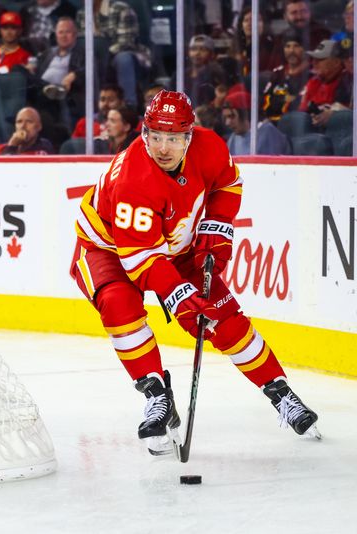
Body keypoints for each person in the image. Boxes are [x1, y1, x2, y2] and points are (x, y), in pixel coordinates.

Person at [70, 90, 319, 454]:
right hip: (107, 247)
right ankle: (157, 396)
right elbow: (140, 259)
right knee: (118, 305)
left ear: (189, 136)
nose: (164, 148)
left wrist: (217, 224)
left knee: (224, 318)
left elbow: (229, 184)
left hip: (177, 245)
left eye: (173, 138)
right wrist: (178, 294)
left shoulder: (210, 147)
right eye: (156, 136)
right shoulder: (132, 182)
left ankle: (281, 394)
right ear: (144, 134)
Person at [90, 0, 151, 107]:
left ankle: (128, 106)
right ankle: (93, 108)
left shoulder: (121, 9)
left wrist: (106, 55)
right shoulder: (83, 13)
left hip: (121, 54)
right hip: (96, 56)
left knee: (124, 58)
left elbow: (126, 42)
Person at [297, 39, 352, 128]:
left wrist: (336, 114)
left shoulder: (348, 82)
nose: (314, 63)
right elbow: (301, 112)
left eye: (320, 59)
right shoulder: (313, 82)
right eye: (313, 59)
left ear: (336, 62)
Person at [262, 30, 311, 123]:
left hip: (296, 125)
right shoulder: (277, 73)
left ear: (304, 49)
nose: (291, 51)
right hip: (272, 123)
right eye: (287, 46)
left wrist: (278, 100)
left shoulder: (310, 75)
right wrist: (284, 99)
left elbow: (300, 104)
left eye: (296, 46)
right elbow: (265, 101)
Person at [221, 91, 290, 155]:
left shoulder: (269, 134)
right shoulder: (233, 139)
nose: (227, 123)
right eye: (226, 118)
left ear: (245, 114)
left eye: (231, 116)